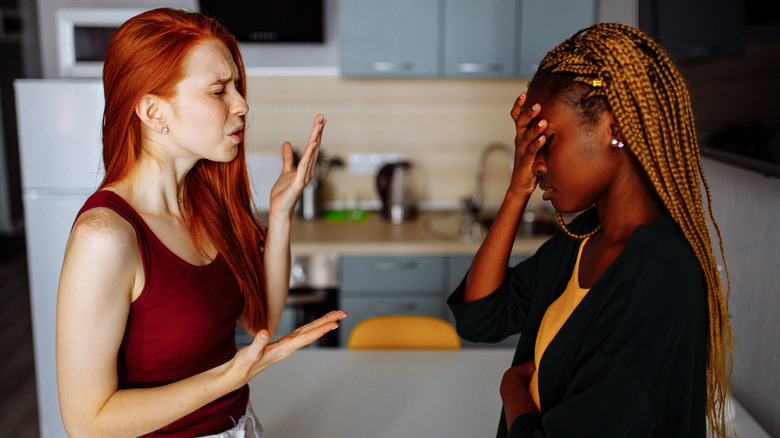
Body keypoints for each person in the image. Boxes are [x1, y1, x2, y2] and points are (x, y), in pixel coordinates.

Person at [56, 8, 346, 437]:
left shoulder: (206, 205)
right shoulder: (106, 237)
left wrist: (281, 215)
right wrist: (230, 378)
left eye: (237, 87)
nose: (242, 104)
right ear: (154, 113)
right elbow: (87, 423)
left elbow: (260, 320)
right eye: (218, 91)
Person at [447, 23, 732, 437]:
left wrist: (512, 387)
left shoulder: (660, 278)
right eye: (530, 144)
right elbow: (480, 319)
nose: (536, 161)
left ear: (614, 129)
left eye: (548, 140)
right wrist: (516, 192)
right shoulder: (584, 238)